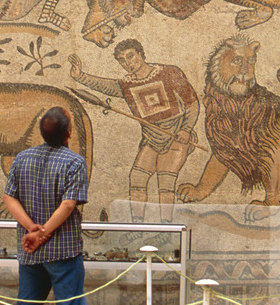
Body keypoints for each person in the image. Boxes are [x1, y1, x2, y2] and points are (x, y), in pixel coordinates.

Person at [3, 106, 89, 305]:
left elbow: (9, 197)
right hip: (63, 251)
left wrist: (32, 229)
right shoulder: (74, 162)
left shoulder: (22, 158)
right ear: (68, 133)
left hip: (30, 250)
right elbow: (68, 205)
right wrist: (43, 232)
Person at [69, 39, 199, 220]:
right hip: (151, 138)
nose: (128, 63)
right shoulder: (127, 84)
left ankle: (167, 226)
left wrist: (186, 129)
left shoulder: (168, 73)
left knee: (165, 182)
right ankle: (137, 225)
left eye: (130, 56)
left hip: (176, 134)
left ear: (140, 53)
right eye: (122, 60)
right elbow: (107, 86)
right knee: (137, 179)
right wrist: (80, 76)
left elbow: (192, 104)